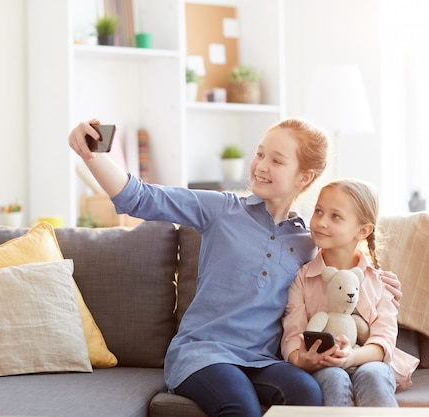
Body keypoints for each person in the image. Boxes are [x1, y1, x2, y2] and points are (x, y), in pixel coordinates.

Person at [69, 118, 401, 417]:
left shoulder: (308, 241)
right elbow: (140, 198)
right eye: (260, 154)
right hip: (203, 354)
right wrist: (92, 156)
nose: (260, 165)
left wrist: (380, 281)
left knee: (307, 393)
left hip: (262, 360)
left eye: (276, 160)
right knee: (240, 406)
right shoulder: (221, 209)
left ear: (305, 177)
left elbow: (342, 272)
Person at [281, 178, 419, 407]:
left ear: (363, 230)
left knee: (374, 375)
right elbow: (293, 333)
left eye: (335, 216)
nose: (321, 222)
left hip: (368, 360)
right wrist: (301, 359)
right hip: (323, 364)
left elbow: (383, 339)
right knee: (333, 376)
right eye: (318, 211)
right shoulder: (302, 278)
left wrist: (351, 357)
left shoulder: (380, 282)